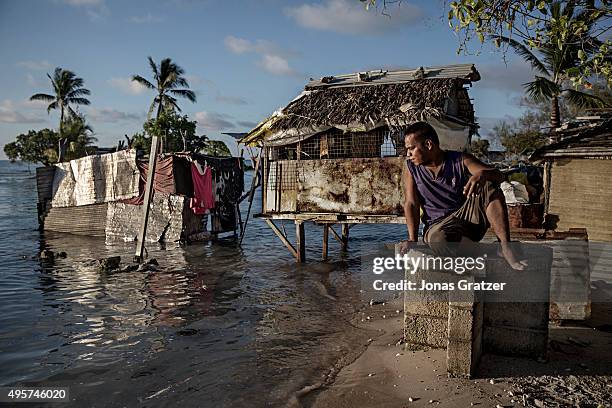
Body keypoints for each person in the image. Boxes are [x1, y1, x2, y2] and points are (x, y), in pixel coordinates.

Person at [400, 121, 527, 270]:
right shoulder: (411, 168)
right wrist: (412, 239)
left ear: (428, 145)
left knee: (489, 185)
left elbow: (499, 176)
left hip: (466, 219)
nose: (408, 154)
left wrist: (483, 175)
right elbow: (411, 203)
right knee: (439, 241)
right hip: (437, 226)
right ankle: (490, 250)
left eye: (412, 148)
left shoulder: (460, 160)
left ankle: (505, 246)